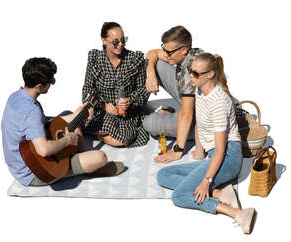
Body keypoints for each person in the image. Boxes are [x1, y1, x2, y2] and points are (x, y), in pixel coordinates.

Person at [157, 53, 256, 234]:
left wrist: (206, 181)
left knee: (179, 195)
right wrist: (199, 151)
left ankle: (237, 213)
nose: (190, 76)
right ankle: (220, 193)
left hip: (228, 157)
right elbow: (200, 122)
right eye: (189, 70)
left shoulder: (219, 102)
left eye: (195, 73)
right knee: (163, 175)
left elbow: (220, 150)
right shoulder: (200, 90)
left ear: (210, 74)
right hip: (214, 155)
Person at [1, 57, 124, 187]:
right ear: (39, 86)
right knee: (100, 158)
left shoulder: (16, 97)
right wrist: (67, 141)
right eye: (51, 81)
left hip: (19, 163)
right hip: (37, 172)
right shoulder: (31, 112)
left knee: (67, 114)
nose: (52, 84)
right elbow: (43, 150)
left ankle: (82, 156)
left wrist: (76, 115)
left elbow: (36, 123)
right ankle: (89, 166)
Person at [82, 22, 150, 147]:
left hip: (127, 113)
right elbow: (87, 89)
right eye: (115, 42)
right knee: (92, 120)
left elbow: (143, 90)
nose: (121, 45)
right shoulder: (95, 59)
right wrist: (103, 106)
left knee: (123, 139)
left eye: (123, 40)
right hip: (102, 110)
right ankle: (98, 132)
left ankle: (96, 133)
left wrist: (130, 100)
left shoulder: (134, 59)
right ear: (104, 41)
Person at [143, 25, 204, 163]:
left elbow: (187, 114)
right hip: (191, 102)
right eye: (164, 49)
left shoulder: (192, 71)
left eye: (168, 52)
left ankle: (171, 119)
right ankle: (167, 112)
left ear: (183, 50)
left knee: (148, 123)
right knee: (155, 63)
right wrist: (150, 72)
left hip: (199, 120)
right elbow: (152, 53)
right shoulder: (190, 53)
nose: (165, 54)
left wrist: (178, 150)